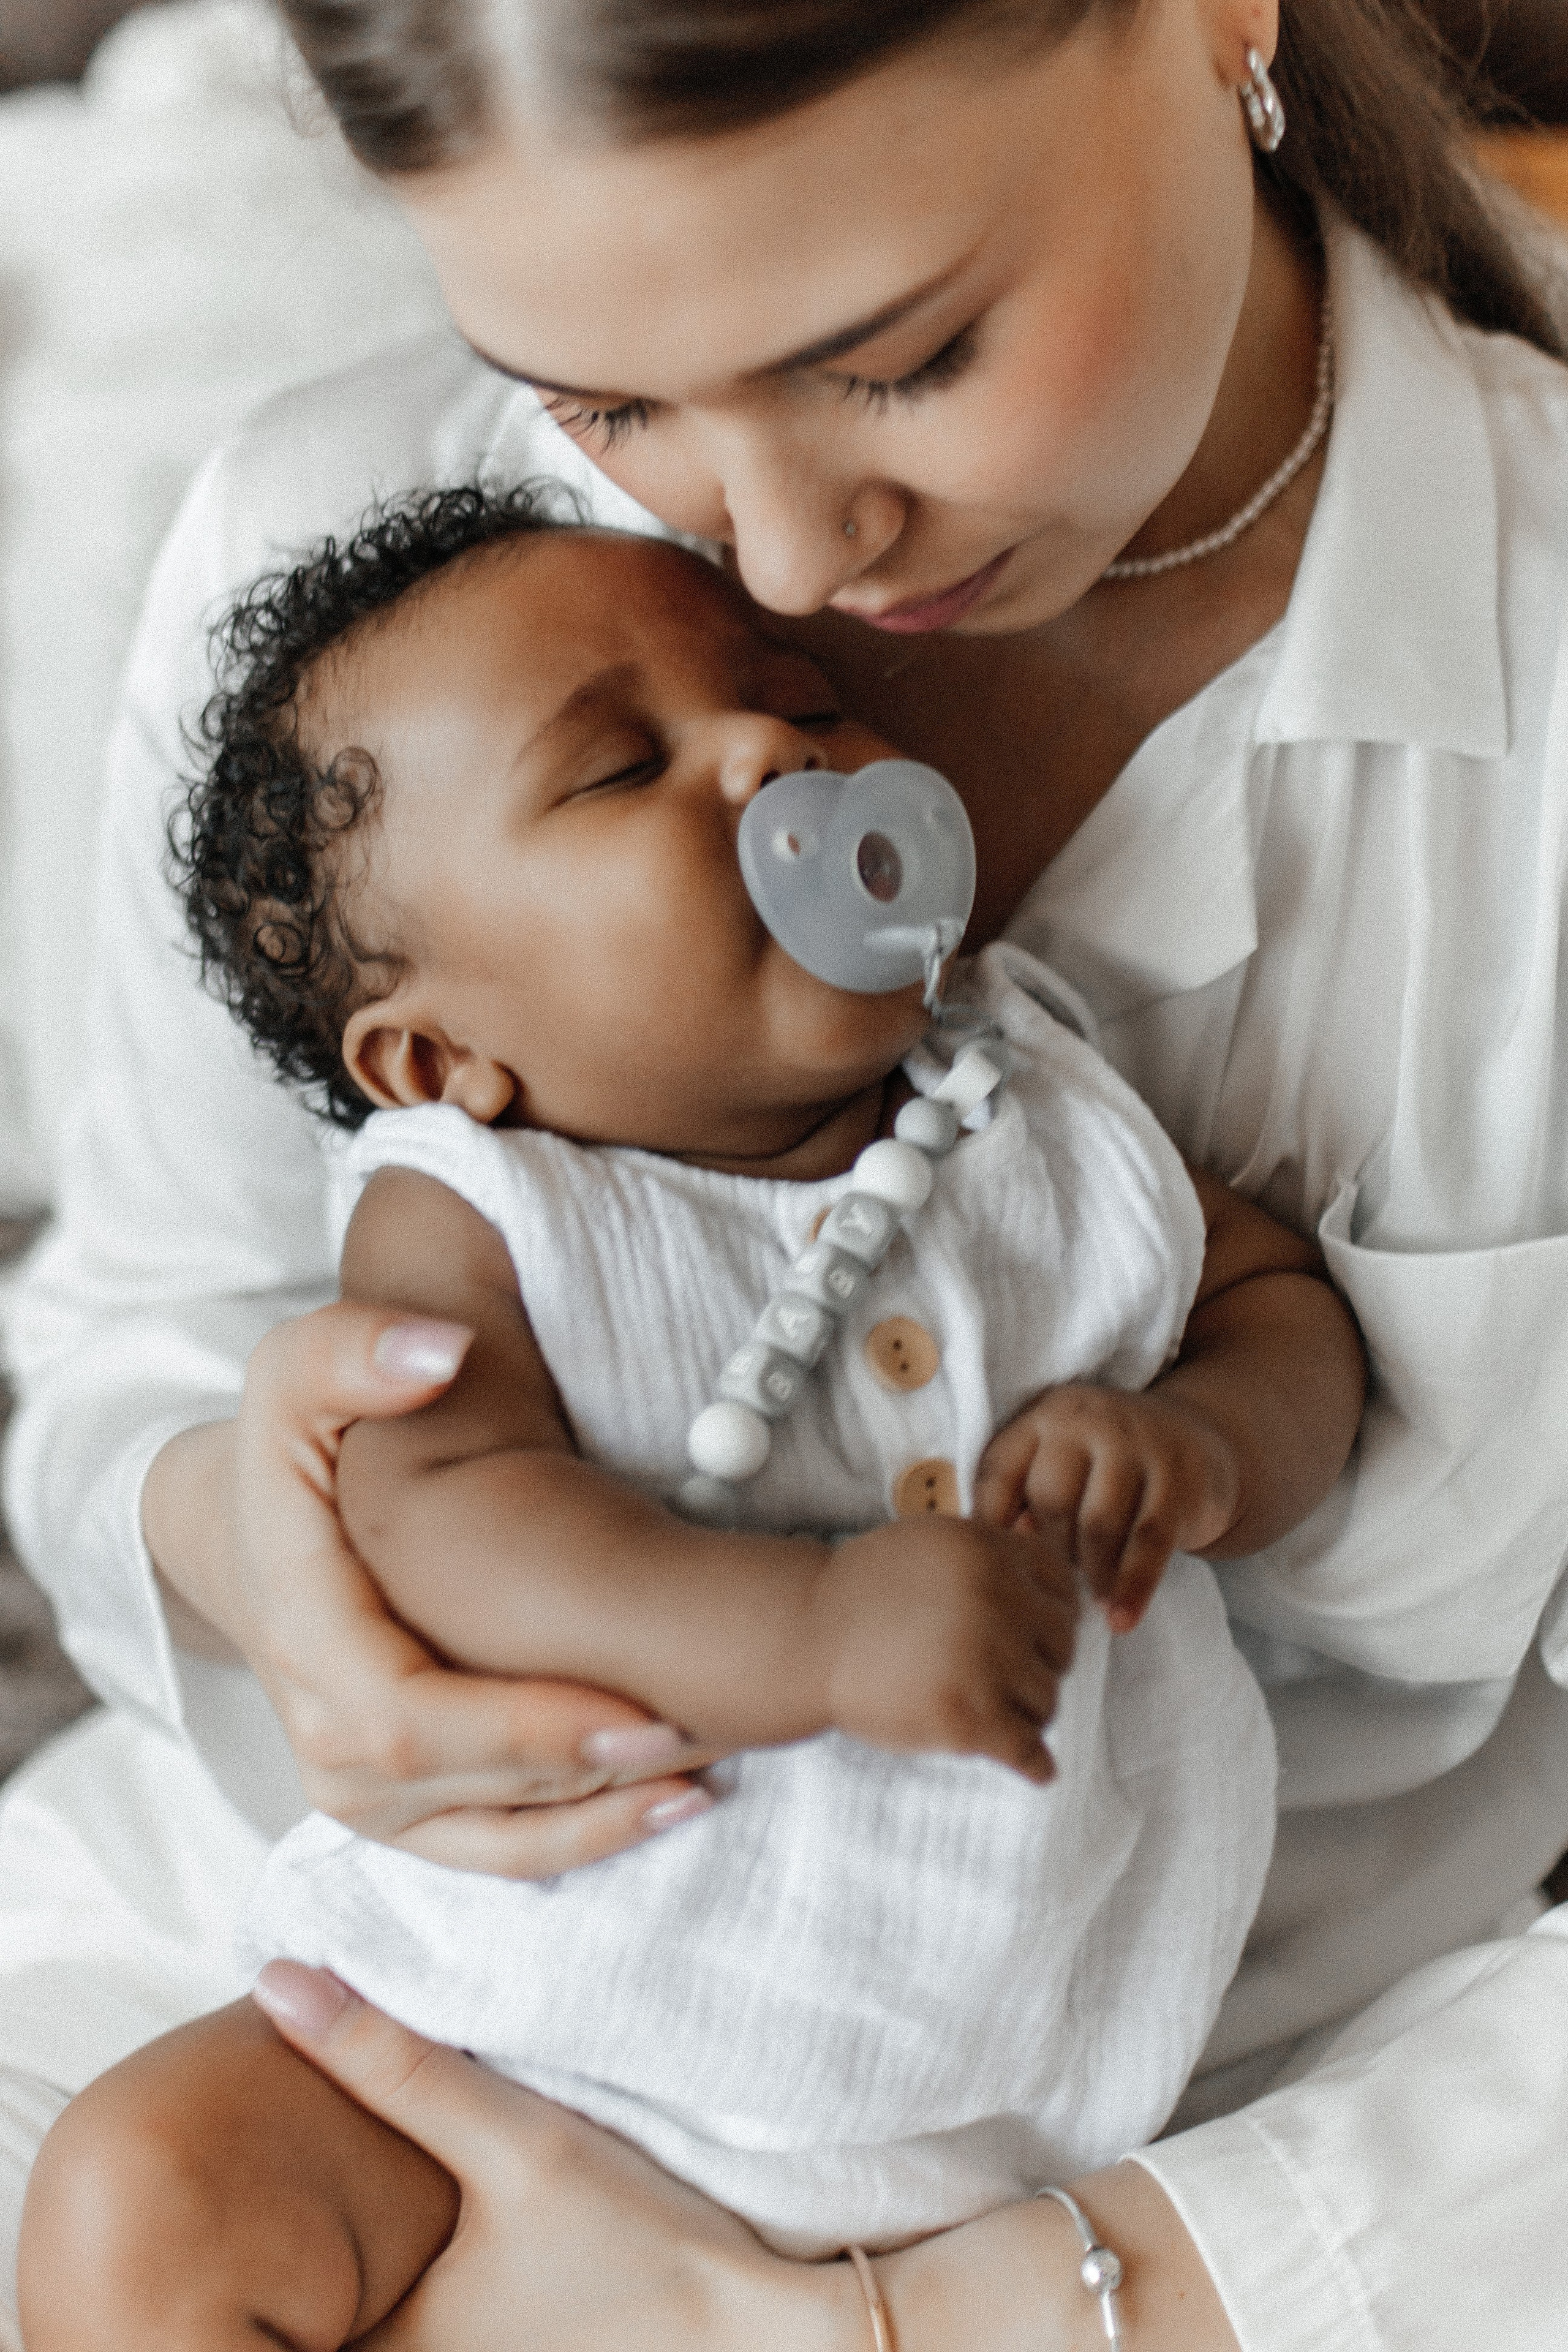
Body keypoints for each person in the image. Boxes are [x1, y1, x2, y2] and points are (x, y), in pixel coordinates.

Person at [6, 0, 1568, 2343]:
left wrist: (986, 2310)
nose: (778, 559)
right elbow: (132, 1347)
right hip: (332, 1996)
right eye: (605, 402)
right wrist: (270, 1548)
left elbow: (1260, 1331)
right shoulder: (344, 592)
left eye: (903, 357)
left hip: (1195, 2153)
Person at [20, 488, 1366, 2338]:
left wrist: (1209, 1444)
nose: (767, 753)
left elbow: (1278, 1305)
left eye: (800, 702)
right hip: (506, 2020)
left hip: (1005, 2103)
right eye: (616, 770)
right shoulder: (488, 1208)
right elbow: (441, 1518)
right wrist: (815, 1632)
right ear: (441, 1056)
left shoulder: (1039, 1105)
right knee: (144, 2196)